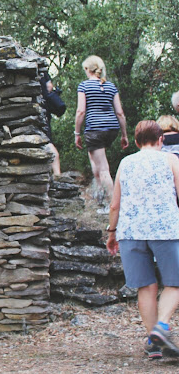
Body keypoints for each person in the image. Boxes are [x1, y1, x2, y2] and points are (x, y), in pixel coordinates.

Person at [106, 120, 179, 360]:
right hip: (166, 230)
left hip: (131, 232)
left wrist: (111, 232)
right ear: (161, 140)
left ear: (136, 142)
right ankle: (161, 327)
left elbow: (115, 204)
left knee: (146, 286)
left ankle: (153, 344)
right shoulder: (170, 160)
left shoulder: (126, 163)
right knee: (175, 283)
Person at [74, 55, 128, 213]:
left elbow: (81, 111)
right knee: (95, 162)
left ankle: (113, 206)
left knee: (103, 168)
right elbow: (120, 113)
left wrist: (77, 132)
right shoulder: (111, 86)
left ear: (87, 69)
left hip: (95, 129)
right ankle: (100, 198)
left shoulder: (84, 86)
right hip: (111, 128)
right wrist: (124, 135)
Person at [40, 73, 64, 176]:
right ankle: (57, 174)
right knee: (48, 143)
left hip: (35, 113)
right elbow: (49, 86)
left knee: (46, 144)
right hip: (43, 114)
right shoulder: (43, 71)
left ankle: (56, 175)